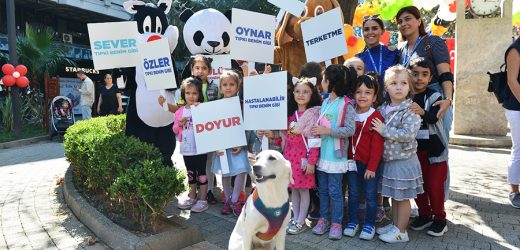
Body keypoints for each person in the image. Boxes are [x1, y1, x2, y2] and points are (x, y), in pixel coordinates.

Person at [396, 5, 453, 201]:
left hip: (436, 101)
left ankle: (440, 204)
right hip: (413, 104)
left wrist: (447, 99)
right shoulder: (401, 49)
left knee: (438, 154)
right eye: (400, 21)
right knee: (419, 153)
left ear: (419, 20)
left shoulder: (433, 42)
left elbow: (445, 73)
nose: (404, 23)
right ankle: (424, 209)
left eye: (408, 18)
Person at [371, 65, 423, 243]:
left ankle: (402, 231)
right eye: (393, 83)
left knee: (402, 198)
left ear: (409, 87)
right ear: (386, 87)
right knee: (395, 196)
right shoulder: (384, 107)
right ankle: (395, 225)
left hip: (404, 161)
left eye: (403, 83)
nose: (399, 87)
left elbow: (408, 135)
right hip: (390, 161)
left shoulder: (411, 110)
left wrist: (384, 130)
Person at [310, 64, 356, 240]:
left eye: (323, 79)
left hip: (336, 157)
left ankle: (336, 222)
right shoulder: (325, 101)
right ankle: (324, 219)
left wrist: (327, 131)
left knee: (335, 191)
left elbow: (350, 130)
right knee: (322, 190)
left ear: (330, 82)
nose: (321, 83)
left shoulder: (346, 104)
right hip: (322, 155)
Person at [407, 57, 449, 236]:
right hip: (414, 151)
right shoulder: (405, 95)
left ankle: (440, 219)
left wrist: (422, 111)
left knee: (434, 185)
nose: (419, 78)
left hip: (435, 151)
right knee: (419, 186)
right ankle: (424, 214)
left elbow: (434, 117)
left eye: (424, 75)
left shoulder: (434, 95)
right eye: (415, 74)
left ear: (431, 78)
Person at [343, 75, 384, 241]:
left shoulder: (376, 117)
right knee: (352, 194)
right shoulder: (350, 114)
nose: (362, 95)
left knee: (370, 196)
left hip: (369, 166)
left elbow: (378, 146)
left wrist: (372, 167)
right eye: (358, 92)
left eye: (368, 92)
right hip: (351, 163)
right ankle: (353, 221)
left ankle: (369, 224)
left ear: (374, 97)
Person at [284, 77, 322, 235]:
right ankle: (295, 218)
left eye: (305, 92)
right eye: (298, 91)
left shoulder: (313, 114)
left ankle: (301, 221)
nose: (301, 95)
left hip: (305, 160)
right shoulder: (291, 115)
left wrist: (312, 161)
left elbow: (314, 141)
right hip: (290, 159)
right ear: (293, 93)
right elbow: (285, 137)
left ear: (312, 94)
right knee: (294, 190)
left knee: (304, 191)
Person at [212, 70, 250, 216]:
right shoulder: (215, 105)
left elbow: (246, 126)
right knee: (225, 174)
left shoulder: (242, 105)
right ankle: (228, 201)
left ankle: (235, 200)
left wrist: (242, 144)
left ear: (238, 87)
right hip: (222, 147)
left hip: (238, 147)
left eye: (232, 84)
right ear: (220, 87)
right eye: (225, 84)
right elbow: (211, 126)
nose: (228, 87)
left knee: (241, 170)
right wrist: (215, 146)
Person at [174, 77, 209, 213]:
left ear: (199, 94)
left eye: (194, 93)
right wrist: (180, 124)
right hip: (186, 148)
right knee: (190, 174)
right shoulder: (179, 111)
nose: (191, 96)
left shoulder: (202, 108)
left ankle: (203, 199)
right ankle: (192, 196)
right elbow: (175, 129)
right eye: (188, 93)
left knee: (201, 174)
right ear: (184, 94)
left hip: (200, 148)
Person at [357, 15, 399, 88]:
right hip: (368, 98)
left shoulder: (393, 52)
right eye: (366, 29)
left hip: (392, 98)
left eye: (374, 28)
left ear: (382, 31)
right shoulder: (358, 58)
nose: (370, 32)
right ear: (363, 33)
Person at [504, 37, 520, 208]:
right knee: (519, 148)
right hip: (516, 107)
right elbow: (512, 80)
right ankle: (514, 190)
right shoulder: (515, 49)